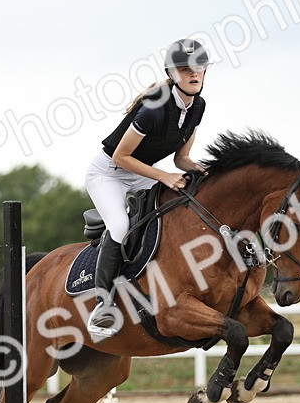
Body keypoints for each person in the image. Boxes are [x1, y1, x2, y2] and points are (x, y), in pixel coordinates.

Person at [84, 38, 212, 341]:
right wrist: (163, 176)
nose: (193, 74)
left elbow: (181, 159)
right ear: (172, 73)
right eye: (185, 69)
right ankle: (103, 302)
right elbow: (120, 157)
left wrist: (206, 173)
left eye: (199, 68)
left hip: (142, 172)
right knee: (119, 225)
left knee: (186, 199)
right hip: (110, 173)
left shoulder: (198, 107)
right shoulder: (154, 108)